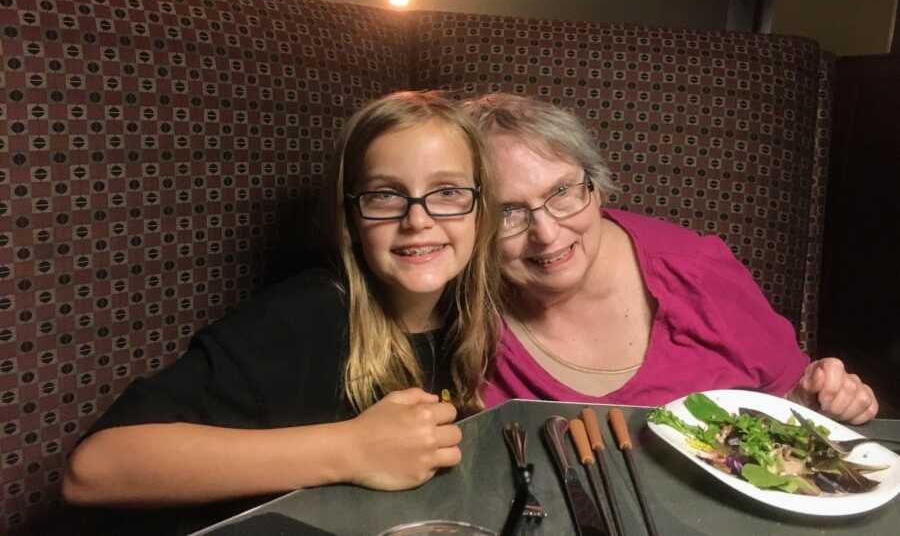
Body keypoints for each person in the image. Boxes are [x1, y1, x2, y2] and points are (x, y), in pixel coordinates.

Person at [62, 90, 501, 533]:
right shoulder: (308, 314)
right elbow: (95, 468)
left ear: (481, 212)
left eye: (447, 192)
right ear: (350, 218)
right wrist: (351, 449)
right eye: (385, 195)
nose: (418, 220)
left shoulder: (463, 318)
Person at [465, 93, 878, 425]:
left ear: (596, 184)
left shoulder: (696, 269)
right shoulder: (452, 301)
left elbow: (794, 398)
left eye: (562, 193)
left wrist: (824, 397)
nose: (548, 234)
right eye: (508, 213)